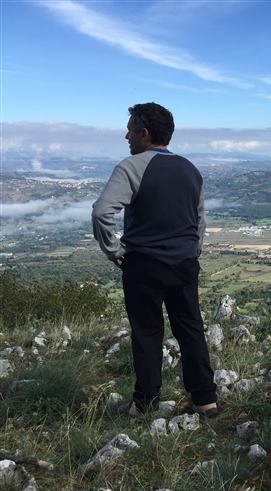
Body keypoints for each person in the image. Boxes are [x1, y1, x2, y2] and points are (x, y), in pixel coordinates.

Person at [92, 102, 218, 418]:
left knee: (148, 332)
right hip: (185, 263)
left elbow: (101, 212)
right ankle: (205, 400)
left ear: (144, 133)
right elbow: (199, 218)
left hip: (144, 265)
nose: (126, 136)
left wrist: (114, 250)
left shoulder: (131, 167)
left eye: (130, 129)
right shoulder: (190, 169)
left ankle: (145, 402)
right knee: (190, 329)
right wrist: (194, 250)